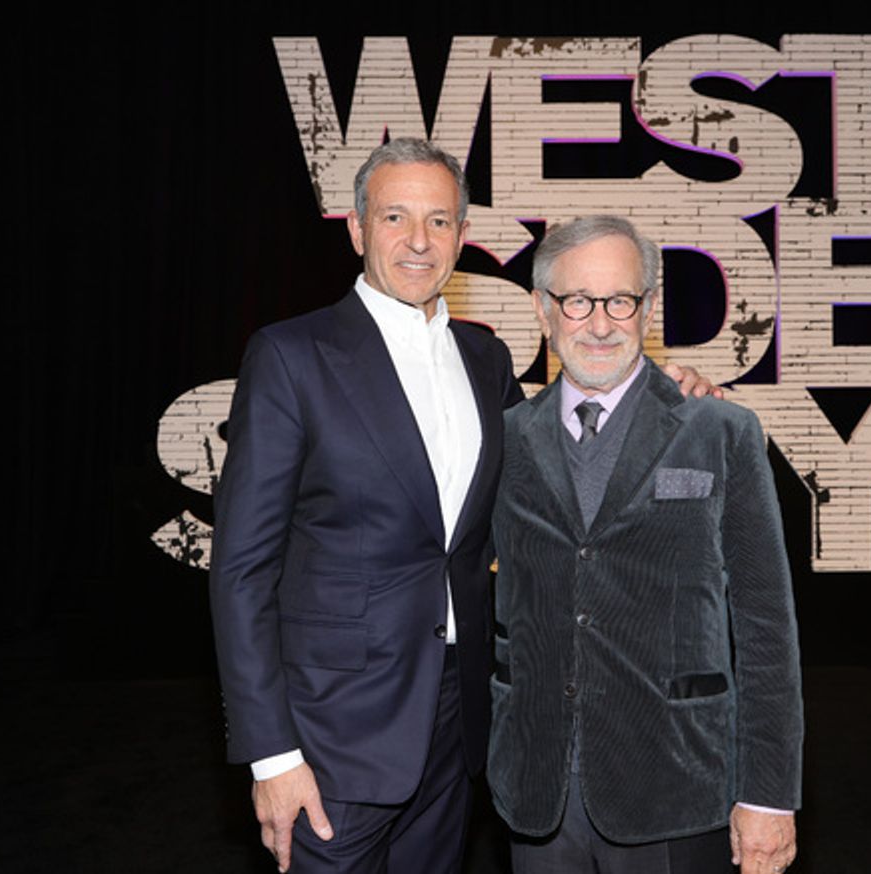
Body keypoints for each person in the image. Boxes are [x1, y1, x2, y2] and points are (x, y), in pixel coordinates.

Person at [209, 140, 714, 873]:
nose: (419, 240)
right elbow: (241, 570)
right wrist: (270, 755)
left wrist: (665, 395)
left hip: (459, 728)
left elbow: (560, 460)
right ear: (357, 229)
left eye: (440, 220)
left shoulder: (486, 358)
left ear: (460, 234)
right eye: (395, 217)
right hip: (330, 740)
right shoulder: (292, 358)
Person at [488, 216, 803, 874]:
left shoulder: (721, 429)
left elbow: (766, 625)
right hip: (538, 788)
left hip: (676, 786)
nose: (599, 323)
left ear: (648, 308)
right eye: (577, 300)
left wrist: (769, 795)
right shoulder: (507, 436)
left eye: (620, 300)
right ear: (546, 311)